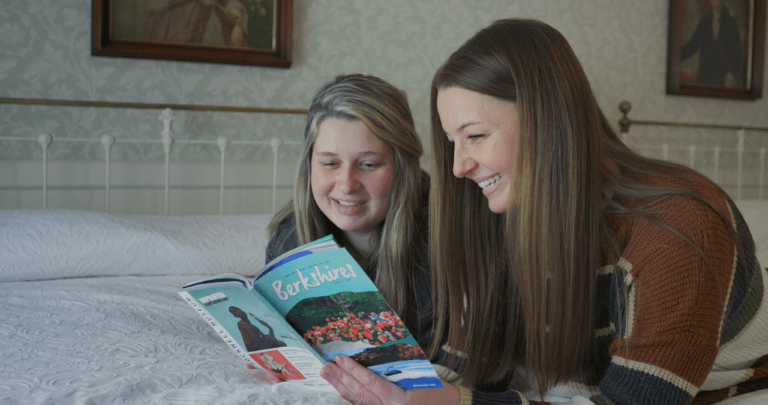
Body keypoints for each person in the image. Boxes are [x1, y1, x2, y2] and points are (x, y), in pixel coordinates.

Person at [320, 19, 768, 405]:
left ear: (546, 119)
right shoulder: (506, 217)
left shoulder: (678, 225)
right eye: (452, 142)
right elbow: (465, 370)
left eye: (474, 136)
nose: (457, 168)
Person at [265, 74, 435, 354]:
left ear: (403, 167)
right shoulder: (288, 243)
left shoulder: (441, 241)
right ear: (310, 166)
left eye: (368, 164)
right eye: (330, 163)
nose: (346, 185)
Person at [680, 0, 743, 87]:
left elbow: (737, 52)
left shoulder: (730, 21)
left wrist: (731, 74)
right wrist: (674, 57)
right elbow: (693, 45)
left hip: (723, 77)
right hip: (705, 76)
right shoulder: (705, 20)